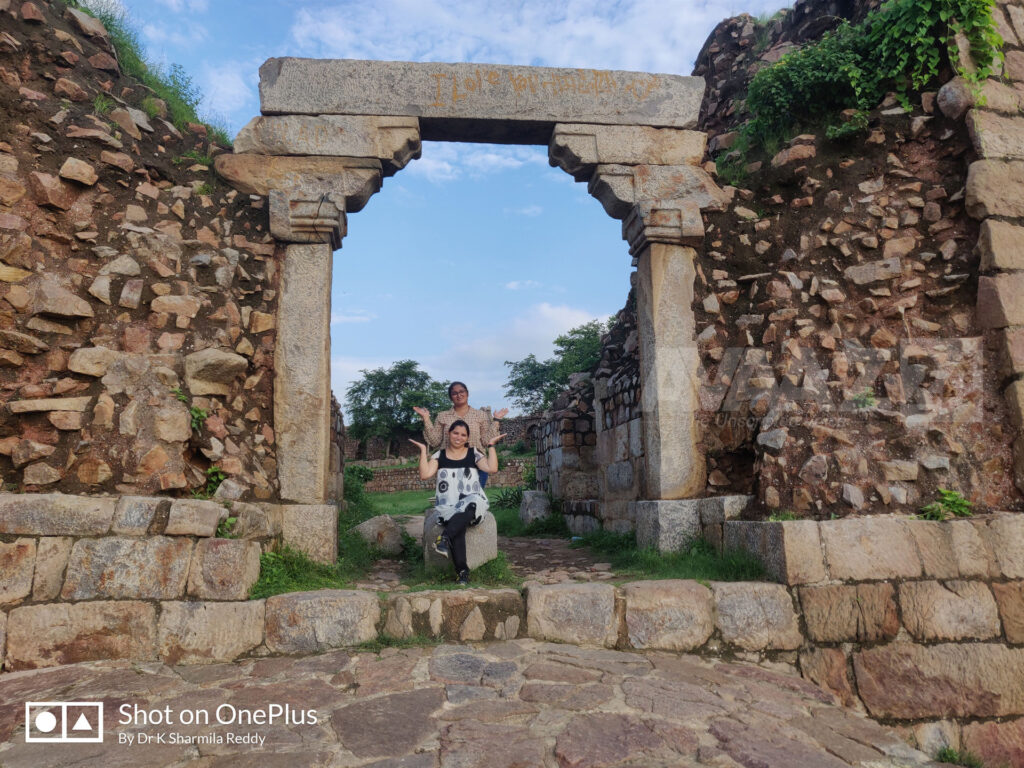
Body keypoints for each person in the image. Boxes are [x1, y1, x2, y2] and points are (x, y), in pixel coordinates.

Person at [409, 419, 504, 585]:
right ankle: (462, 572)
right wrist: (424, 451)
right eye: (455, 433)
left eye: (463, 435)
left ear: (467, 438)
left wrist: (490, 446)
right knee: (457, 525)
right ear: (449, 434)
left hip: (472, 502)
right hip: (448, 506)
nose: (459, 437)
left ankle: (445, 538)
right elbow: (425, 474)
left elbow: (492, 468)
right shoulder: (440, 456)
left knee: (471, 504)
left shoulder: (474, 453)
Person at [413, 381, 508, 487]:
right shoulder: (442, 416)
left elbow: (486, 441)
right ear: (450, 397)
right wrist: (426, 419)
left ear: (467, 393)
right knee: (450, 498)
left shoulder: (480, 415)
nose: (459, 395)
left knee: (474, 500)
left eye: (461, 391)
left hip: (476, 464)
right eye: (454, 393)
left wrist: (496, 420)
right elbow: (435, 441)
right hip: (449, 465)